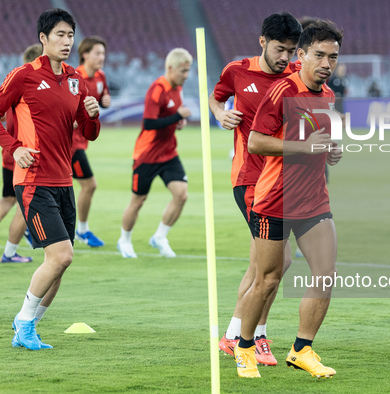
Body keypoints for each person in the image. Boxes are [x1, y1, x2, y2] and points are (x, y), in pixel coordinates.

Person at [234, 20, 343, 379]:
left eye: (333, 57)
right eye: (320, 55)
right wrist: (303, 147)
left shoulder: (327, 95)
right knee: (267, 279)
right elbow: (256, 142)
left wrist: (331, 151)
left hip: (313, 201)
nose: (327, 63)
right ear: (302, 54)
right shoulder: (282, 91)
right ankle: (244, 346)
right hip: (274, 201)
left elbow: (320, 140)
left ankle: (302, 349)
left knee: (326, 275)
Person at [0, 8, 101, 350]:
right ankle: (23, 323)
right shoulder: (23, 75)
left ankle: (29, 326)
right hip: (33, 179)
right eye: (60, 35)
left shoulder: (75, 80)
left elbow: (89, 132)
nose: (67, 41)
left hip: (63, 181)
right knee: (62, 256)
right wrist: (13, 148)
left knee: (59, 264)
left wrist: (94, 116)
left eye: (70, 35)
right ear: (43, 38)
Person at [209, 12, 302, 367]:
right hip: (249, 180)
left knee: (259, 266)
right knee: (278, 262)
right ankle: (256, 336)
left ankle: (234, 335)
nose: (286, 58)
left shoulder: (294, 76)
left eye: (292, 51)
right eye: (280, 49)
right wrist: (220, 114)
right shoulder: (237, 71)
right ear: (262, 42)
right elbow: (216, 98)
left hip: (281, 180)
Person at [117, 48, 192, 258]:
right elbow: (149, 123)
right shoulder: (157, 89)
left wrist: (179, 121)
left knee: (181, 194)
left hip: (168, 153)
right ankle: (124, 240)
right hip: (147, 155)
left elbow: (172, 115)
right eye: (183, 71)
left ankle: (160, 236)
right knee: (138, 200)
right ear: (170, 68)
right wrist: (177, 115)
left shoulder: (178, 89)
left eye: (188, 71)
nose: (186, 76)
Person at [0, 44, 42, 263]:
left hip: (10, 153)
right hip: (23, 154)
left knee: (8, 199)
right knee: (25, 207)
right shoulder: (30, 85)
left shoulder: (15, 85)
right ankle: (10, 253)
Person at [72, 36, 111, 247]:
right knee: (89, 185)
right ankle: (82, 231)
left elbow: (103, 97)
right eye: (97, 53)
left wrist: (105, 102)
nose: (101, 57)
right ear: (85, 54)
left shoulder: (101, 76)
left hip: (81, 140)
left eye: (103, 53)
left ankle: (28, 229)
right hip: (69, 144)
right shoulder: (74, 78)